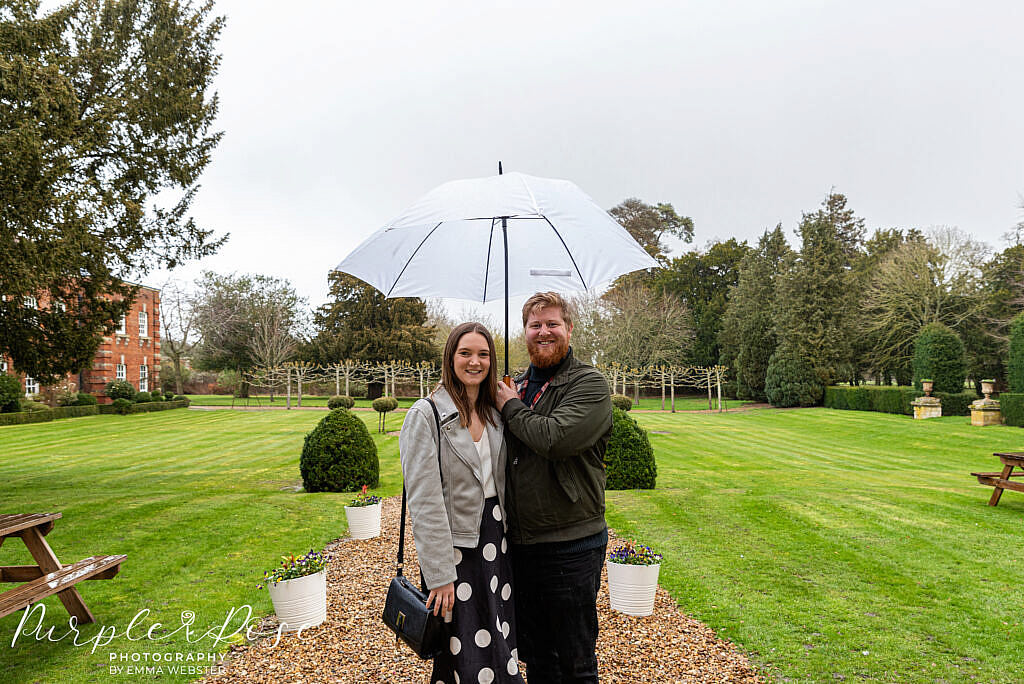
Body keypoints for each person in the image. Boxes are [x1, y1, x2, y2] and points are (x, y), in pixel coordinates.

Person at [495, 291, 613, 684]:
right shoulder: (519, 385)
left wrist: (511, 407)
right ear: (524, 333)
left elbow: (555, 439)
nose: (543, 332)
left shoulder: (589, 383)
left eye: (552, 324)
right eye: (535, 325)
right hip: (522, 547)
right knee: (538, 658)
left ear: (569, 329)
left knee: (575, 662)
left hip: (571, 546)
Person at [401, 322, 525, 684]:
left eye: (483, 354)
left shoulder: (494, 412)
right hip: (456, 550)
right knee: (465, 651)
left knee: (498, 639)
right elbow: (424, 502)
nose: (475, 362)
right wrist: (439, 575)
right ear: (450, 357)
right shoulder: (426, 415)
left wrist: (511, 401)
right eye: (465, 353)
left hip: (496, 542)